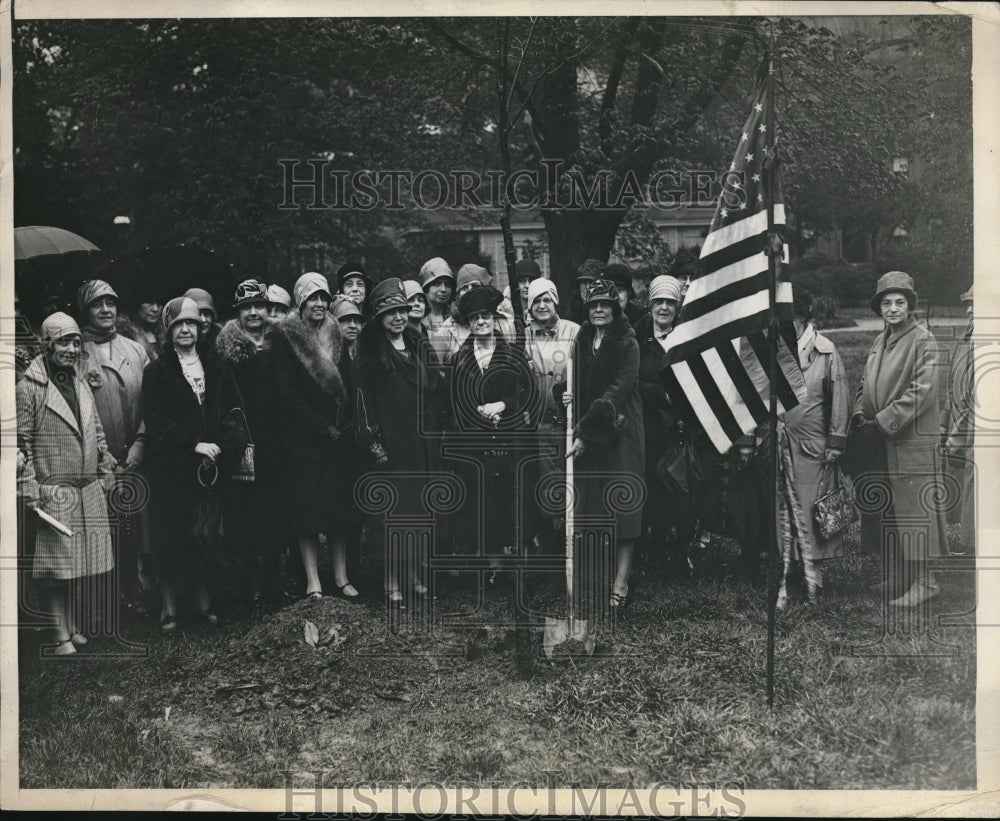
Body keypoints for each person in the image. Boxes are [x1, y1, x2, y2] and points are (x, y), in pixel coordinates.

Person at [143, 297, 248, 633]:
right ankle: (170, 608)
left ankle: (204, 604)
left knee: (207, 535)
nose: (186, 329)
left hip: (211, 468)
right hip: (173, 470)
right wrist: (193, 443)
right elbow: (156, 420)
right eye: (178, 324)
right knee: (172, 538)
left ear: (201, 328)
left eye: (191, 323)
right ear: (168, 330)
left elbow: (235, 411)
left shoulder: (217, 366)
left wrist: (221, 443)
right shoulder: (157, 371)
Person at [17, 312, 116, 655]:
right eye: (63, 341)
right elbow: (21, 444)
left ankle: (72, 625)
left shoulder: (80, 381)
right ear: (46, 344)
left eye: (76, 341)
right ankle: (58, 631)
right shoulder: (30, 387)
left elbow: (97, 430)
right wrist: (29, 489)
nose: (72, 348)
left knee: (78, 562)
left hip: (86, 487)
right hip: (53, 490)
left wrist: (105, 469)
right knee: (55, 566)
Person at [852, 271, 949, 607]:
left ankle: (926, 581)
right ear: (879, 308)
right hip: (881, 439)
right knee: (889, 512)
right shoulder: (881, 341)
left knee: (914, 512)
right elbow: (865, 383)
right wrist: (859, 414)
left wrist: (884, 420)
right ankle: (899, 575)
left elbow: (921, 391)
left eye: (899, 302)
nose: (893, 309)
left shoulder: (923, 340)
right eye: (886, 303)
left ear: (910, 306)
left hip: (910, 443)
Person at [355, 278, 451, 606]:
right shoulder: (370, 354)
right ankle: (390, 580)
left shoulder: (416, 344)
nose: (398, 317)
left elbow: (435, 389)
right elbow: (363, 402)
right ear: (379, 317)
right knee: (393, 515)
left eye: (401, 310)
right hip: (393, 447)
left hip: (421, 444)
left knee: (417, 512)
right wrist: (373, 441)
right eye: (390, 312)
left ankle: (411, 573)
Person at [269, 272, 359, 602]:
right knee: (306, 511)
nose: (320, 304)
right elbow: (287, 393)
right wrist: (321, 426)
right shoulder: (285, 336)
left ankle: (341, 576)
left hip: (337, 438)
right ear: (300, 303)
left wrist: (343, 425)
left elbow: (346, 385)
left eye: (323, 297)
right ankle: (313, 580)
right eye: (312, 299)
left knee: (339, 510)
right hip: (304, 437)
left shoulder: (336, 333)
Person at [561, 279, 644, 609]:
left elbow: (616, 392)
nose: (598, 309)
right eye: (593, 304)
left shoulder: (628, 343)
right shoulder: (581, 339)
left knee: (623, 506)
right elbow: (577, 381)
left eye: (605, 305)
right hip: (588, 426)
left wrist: (583, 435)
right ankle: (590, 579)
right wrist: (564, 394)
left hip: (621, 429)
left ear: (615, 309)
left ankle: (621, 582)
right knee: (590, 504)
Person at [76, 279, 154, 617]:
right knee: (104, 528)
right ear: (85, 311)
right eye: (97, 304)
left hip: (138, 452)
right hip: (100, 459)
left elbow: (154, 402)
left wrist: (140, 442)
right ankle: (107, 598)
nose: (106, 310)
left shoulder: (135, 348)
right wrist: (104, 458)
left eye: (111, 303)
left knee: (139, 524)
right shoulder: (78, 352)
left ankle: (137, 590)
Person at [449, 285, 537, 578]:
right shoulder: (461, 358)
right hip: (476, 443)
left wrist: (503, 404)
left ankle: (520, 561)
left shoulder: (511, 354)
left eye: (485, 316)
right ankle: (493, 562)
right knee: (483, 499)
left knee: (511, 498)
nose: (481, 322)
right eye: (474, 318)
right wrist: (475, 411)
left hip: (510, 440)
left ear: (494, 319)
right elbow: (454, 400)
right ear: (469, 324)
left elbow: (525, 392)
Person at [777, 285, 850, 605]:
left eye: (790, 317)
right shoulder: (775, 350)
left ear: (804, 317)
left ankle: (815, 574)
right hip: (781, 442)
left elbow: (840, 399)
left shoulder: (825, 351)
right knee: (783, 507)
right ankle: (791, 564)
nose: (785, 323)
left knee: (811, 508)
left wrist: (835, 441)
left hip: (812, 444)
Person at [215, 279, 284, 608]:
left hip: (277, 438)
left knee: (276, 511)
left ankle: (274, 576)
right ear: (238, 313)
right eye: (246, 308)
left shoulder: (281, 343)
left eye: (259, 306)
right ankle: (251, 583)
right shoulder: (227, 351)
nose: (254, 312)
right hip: (244, 442)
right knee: (247, 514)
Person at [633, 275, 693, 575]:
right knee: (653, 492)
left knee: (682, 492)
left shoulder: (687, 341)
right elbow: (631, 382)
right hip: (649, 428)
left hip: (682, 429)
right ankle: (654, 553)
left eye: (670, 302)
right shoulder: (639, 343)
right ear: (650, 305)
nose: (664, 308)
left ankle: (683, 554)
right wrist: (659, 393)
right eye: (659, 302)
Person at [522, 277, 579, 556]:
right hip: (536, 425)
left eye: (547, 299)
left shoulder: (575, 332)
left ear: (556, 301)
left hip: (569, 423)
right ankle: (544, 544)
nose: (542, 305)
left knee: (572, 484)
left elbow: (587, 372)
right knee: (539, 486)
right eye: (536, 301)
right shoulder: (522, 335)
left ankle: (575, 544)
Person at [940, 285, 975, 556]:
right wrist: (944, 424)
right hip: (960, 423)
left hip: (977, 427)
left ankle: (973, 544)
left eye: (976, 304)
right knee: (964, 480)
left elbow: (977, 395)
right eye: (969, 303)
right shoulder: (965, 340)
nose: (970, 309)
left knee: (978, 484)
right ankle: (969, 539)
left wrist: (956, 434)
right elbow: (953, 387)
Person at [420, 257, 456, 363]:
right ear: (426, 288)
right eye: (437, 284)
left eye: (448, 284)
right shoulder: (414, 318)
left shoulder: (456, 318)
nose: (444, 289)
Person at [118, 284, 164, 362]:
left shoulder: (166, 333)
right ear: (137, 305)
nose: (155, 309)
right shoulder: (123, 335)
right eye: (149, 303)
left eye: (159, 304)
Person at [567, 259, 603, 325]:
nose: (587, 287)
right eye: (584, 282)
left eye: (592, 282)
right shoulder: (573, 310)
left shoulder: (606, 314)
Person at [332, 295, 364, 359]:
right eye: (346, 320)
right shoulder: (328, 355)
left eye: (357, 321)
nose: (353, 326)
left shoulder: (367, 354)